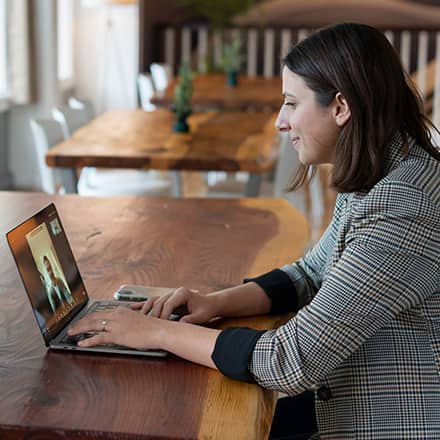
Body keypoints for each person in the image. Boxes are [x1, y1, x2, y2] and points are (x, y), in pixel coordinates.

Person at [68, 23, 440, 439]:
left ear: (340, 107)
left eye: (291, 103)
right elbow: (310, 274)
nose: (280, 122)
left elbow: (290, 361)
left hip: (395, 423)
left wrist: (156, 332)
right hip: (354, 401)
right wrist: (213, 303)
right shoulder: (382, 167)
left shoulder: (403, 203)